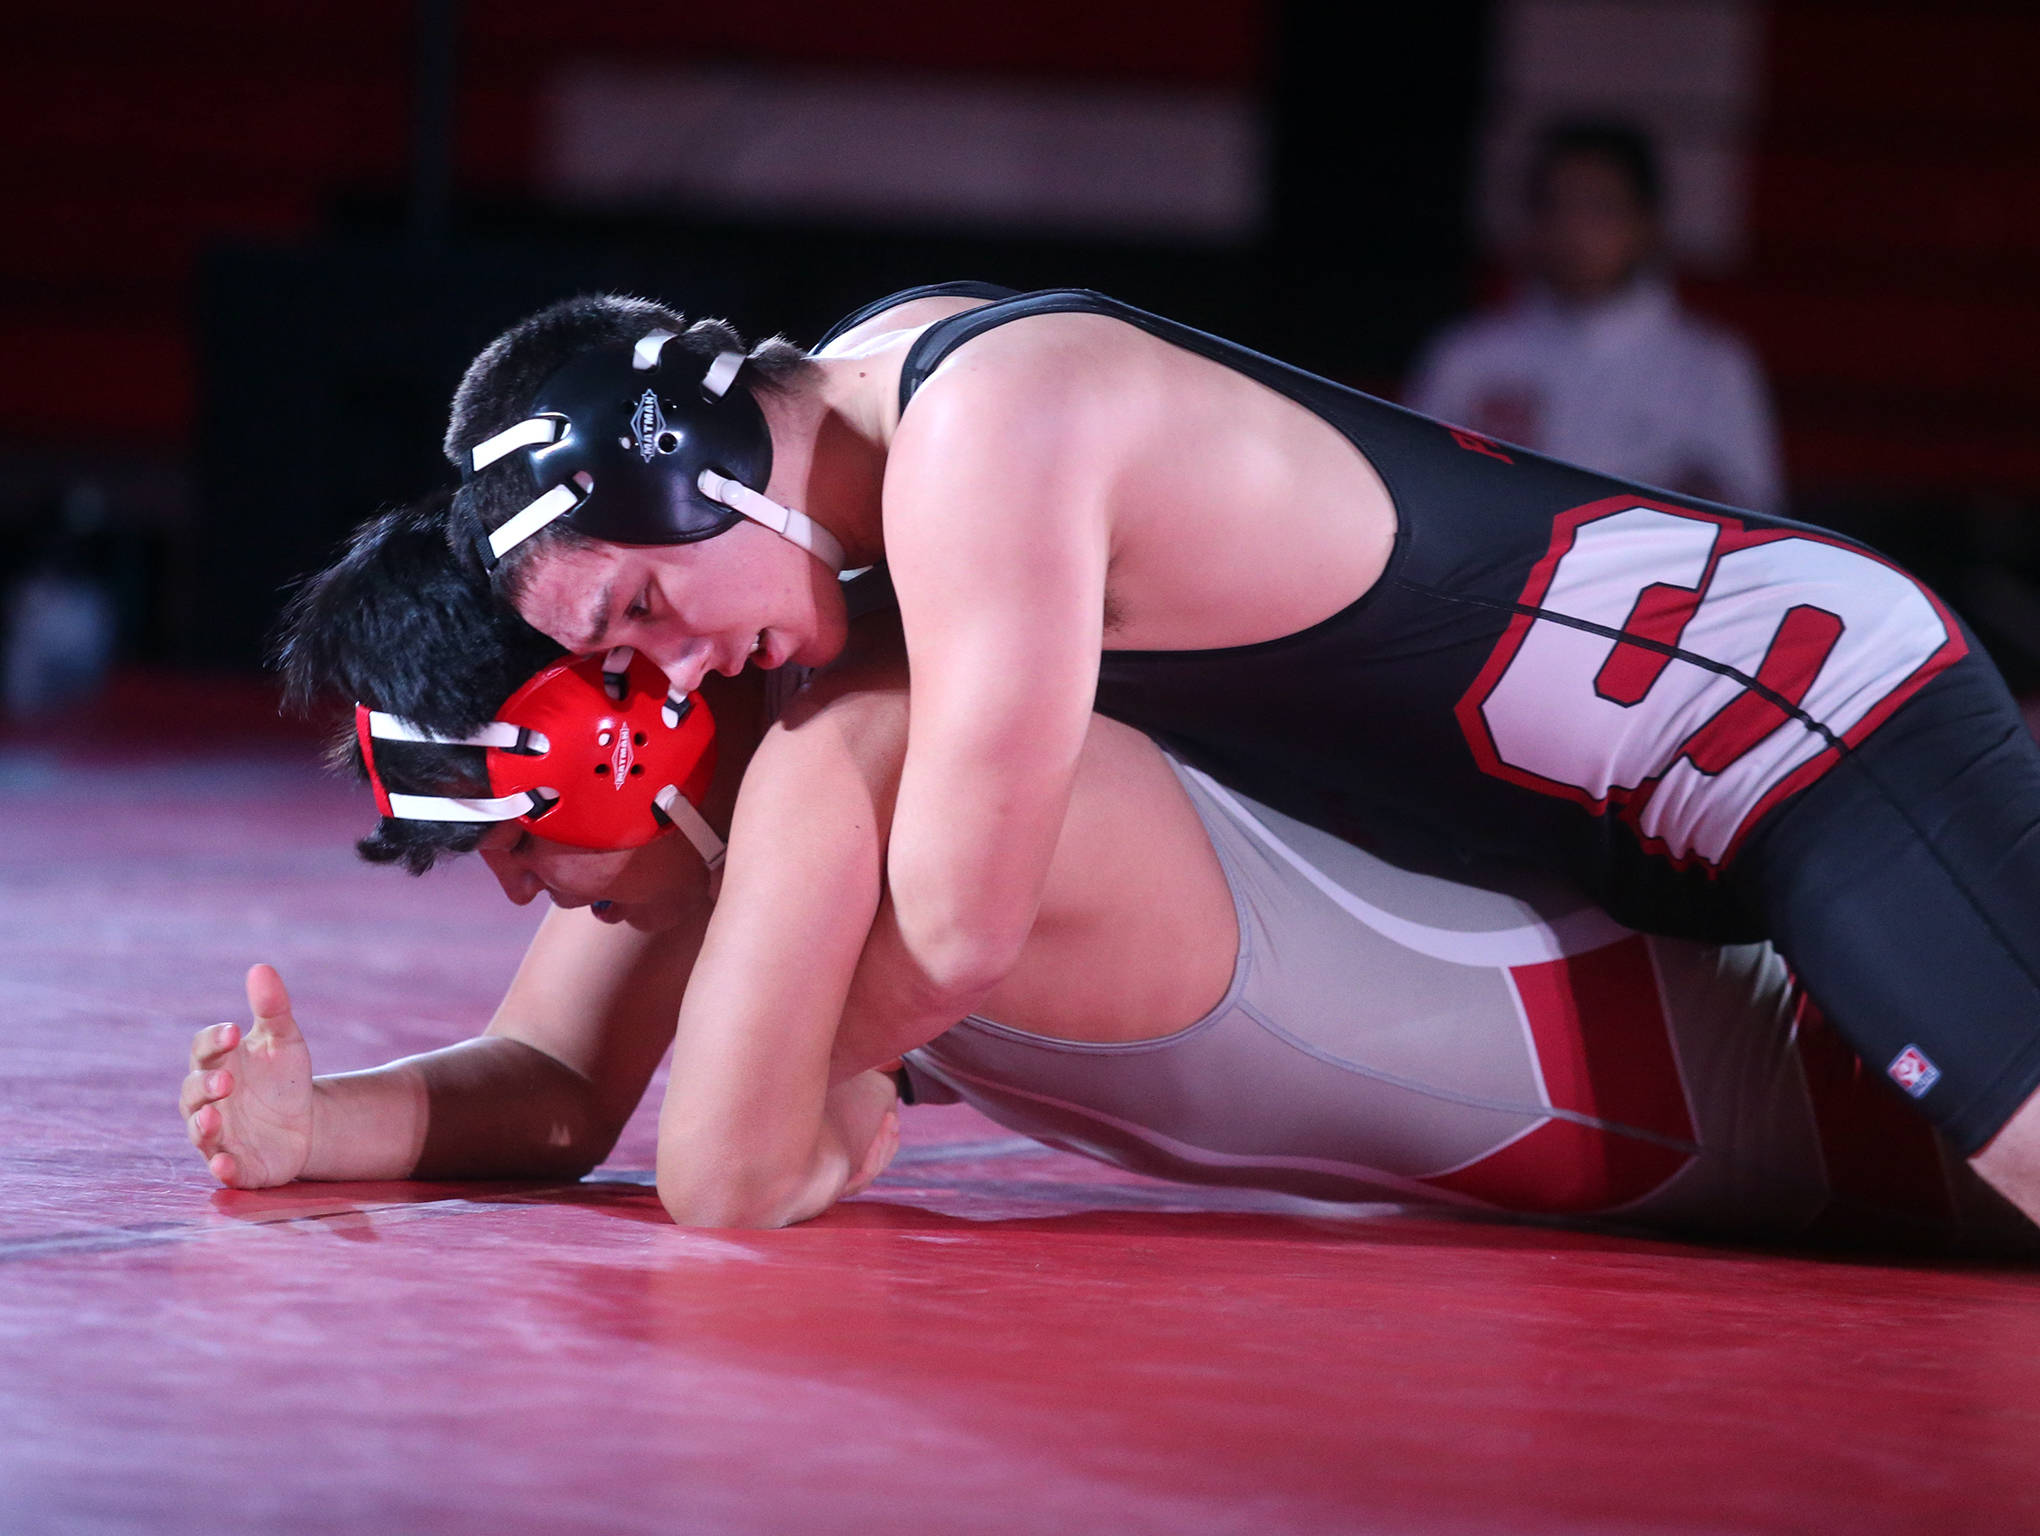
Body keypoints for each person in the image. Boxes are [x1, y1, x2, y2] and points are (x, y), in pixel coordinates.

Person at [430, 277, 2040, 1225]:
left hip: (1785, 726)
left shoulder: (980, 442)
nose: (686, 663)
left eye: (650, 602)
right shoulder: (889, 421)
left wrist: (776, 1107)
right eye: (628, 656)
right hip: (1635, 810)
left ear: (702, 466)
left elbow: (958, 930)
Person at [179, 502, 2032, 1249]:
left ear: (621, 733)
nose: (516, 896)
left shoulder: (860, 751)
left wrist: (816, 1107)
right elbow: (565, 1089)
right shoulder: (776, 799)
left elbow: (727, 1182)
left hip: (1855, 1087)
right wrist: (305, 1132)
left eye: (506, 836)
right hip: (1766, 1100)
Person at [1406, 118, 1783, 513]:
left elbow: (1752, 514)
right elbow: (1417, 491)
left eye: (1601, 209)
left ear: (1646, 223)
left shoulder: (1709, 364)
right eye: (1556, 206)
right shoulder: (1469, 354)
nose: (1575, 230)